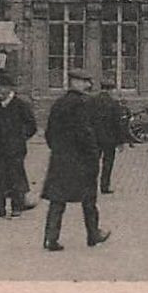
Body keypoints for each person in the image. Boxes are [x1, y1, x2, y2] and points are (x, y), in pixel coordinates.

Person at [40, 69, 110, 252]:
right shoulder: (83, 104)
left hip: (60, 159)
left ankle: (50, 238)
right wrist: (93, 155)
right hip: (81, 160)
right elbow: (85, 133)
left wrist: (58, 149)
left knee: (57, 200)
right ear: (76, 82)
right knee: (89, 198)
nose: (88, 85)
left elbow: (49, 133)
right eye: (85, 82)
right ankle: (93, 234)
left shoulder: (58, 103)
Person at [0, 73, 37, 217]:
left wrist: (20, 137)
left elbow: (31, 126)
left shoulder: (20, 105)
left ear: (8, 88)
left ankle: (17, 206)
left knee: (16, 176)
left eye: (0, 89)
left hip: (15, 149)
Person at [91, 79, 131, 194]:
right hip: (109, 139)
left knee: (94, 161)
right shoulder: (114, 104)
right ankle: (104, 186)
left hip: (95, 137)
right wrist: (121, 141)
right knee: (108, 162)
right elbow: (118, 123)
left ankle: (91, 185)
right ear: (110, 90)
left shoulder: (92, 101)